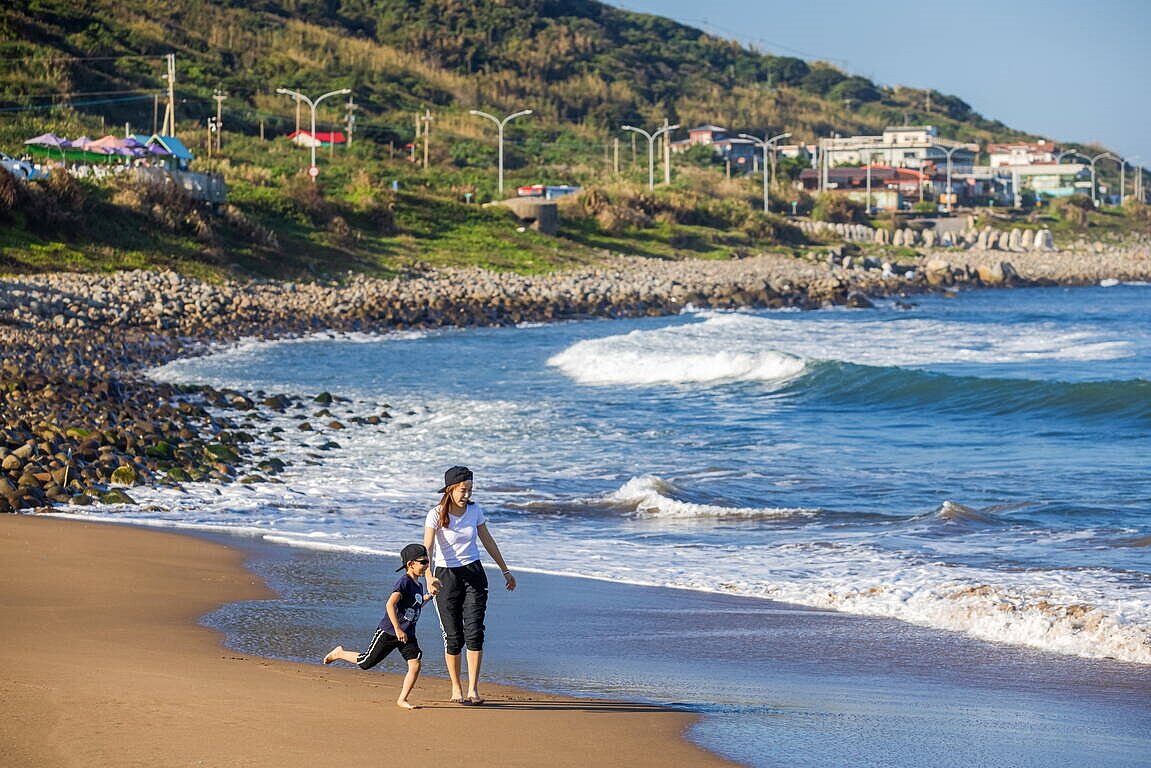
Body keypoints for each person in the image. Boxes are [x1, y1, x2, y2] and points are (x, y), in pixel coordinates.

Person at [423, 465, 516, 705]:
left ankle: (473, 689)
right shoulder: (435, 514)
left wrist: (505, 570)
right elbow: (428, 548)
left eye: (470, 490)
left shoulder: (475, 511)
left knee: (474, 632)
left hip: (473, 574)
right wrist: (428, 577)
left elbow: (487, 540)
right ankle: (456, 688)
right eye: (463, 490)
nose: (467, 495)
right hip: (445, 578)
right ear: (450, 489)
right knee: (453, 637)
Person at [323, 543, 437, 709]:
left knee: (415, 664)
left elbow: (415, 605)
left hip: (408, 634)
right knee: (365, 662)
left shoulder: (418, 585)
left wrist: (430, 596)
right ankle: (339, 653)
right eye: (423, 562)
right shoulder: (403, 582)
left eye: (427, 561)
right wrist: (397, 629)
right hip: (390, 631)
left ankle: (402, 699)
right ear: (410, 564)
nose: (427, 565)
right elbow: (390, 605)